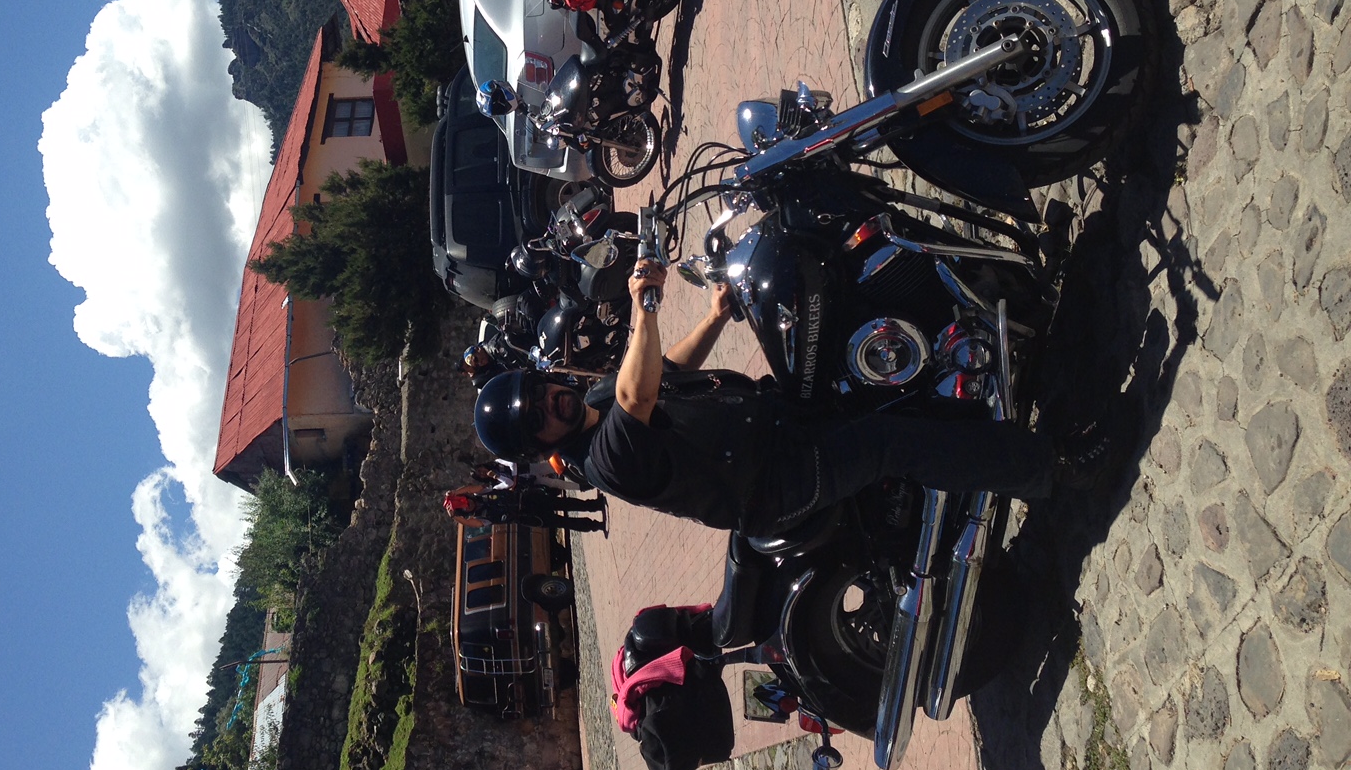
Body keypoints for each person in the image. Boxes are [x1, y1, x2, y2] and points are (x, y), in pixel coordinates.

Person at [473, 261, 1113, 538]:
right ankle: (1053, 467)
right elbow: (638, 392)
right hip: (777, 483)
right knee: (885, 443)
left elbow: (666, 370)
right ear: (541, 444)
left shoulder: (591, 398)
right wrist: (644, 305)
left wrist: (717, 315)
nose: (548, 402)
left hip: (773, 420)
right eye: (537, 417)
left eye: (538, 390)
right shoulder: (605, 461)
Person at [443, 483, 609, 533]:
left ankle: (593, 505)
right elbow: (472, 524)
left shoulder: (481, 494)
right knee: (563, 522)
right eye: (465, 507)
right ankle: (595, 525)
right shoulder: (480, 517)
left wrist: (455, 493)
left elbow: (476, 487)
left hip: (527, 499)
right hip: (525, 516)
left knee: (563, 503)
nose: (469, 504)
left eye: (466, 501)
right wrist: (454, 516)